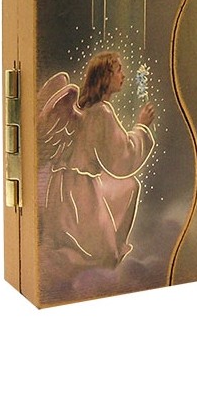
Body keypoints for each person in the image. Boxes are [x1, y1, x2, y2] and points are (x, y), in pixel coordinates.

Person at [38, 51, 156, 271]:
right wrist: (141, 126)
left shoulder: (84, 108)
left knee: (129, 186)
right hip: (80, 196)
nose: (123, 75)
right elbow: (122, 158)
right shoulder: (101, 112)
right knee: (101, 255)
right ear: (105, 76)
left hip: (63, 191)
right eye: (118, 70)